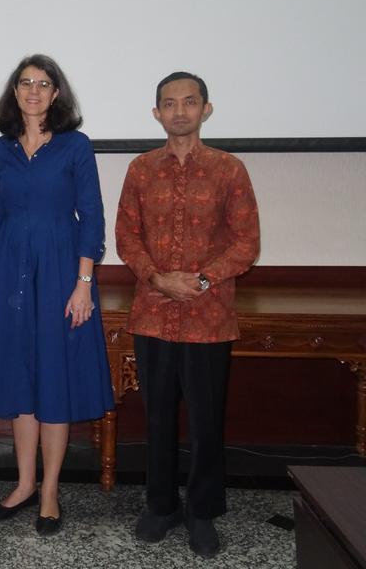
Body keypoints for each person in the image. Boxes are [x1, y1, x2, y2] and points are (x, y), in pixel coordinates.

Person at [115, 72, 260, 558]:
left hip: (208, 315)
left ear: (206, 109)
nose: (180, 111)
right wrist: (158, 279)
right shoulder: (140, 170)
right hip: (152, 314)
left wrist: (198, 280)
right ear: (156, 113)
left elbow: (247, 245)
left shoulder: (229, 170)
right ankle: (160, 506)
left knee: (205, 420)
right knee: (156, 417)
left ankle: (201, 511)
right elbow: (126, 238)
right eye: (169, 104)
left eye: (189, 102)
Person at [0, 54, 115, 536]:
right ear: (14, 92)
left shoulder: (75, 146)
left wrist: (84, 284)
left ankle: (50, 490)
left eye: (43, 83)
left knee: (53, 378)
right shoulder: (0, 149)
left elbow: (92, 218)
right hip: (12, 271)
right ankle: (23, 484)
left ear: (57, 94)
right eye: (25, 82)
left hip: (61, 271)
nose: (33, 90)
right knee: (20, 382)